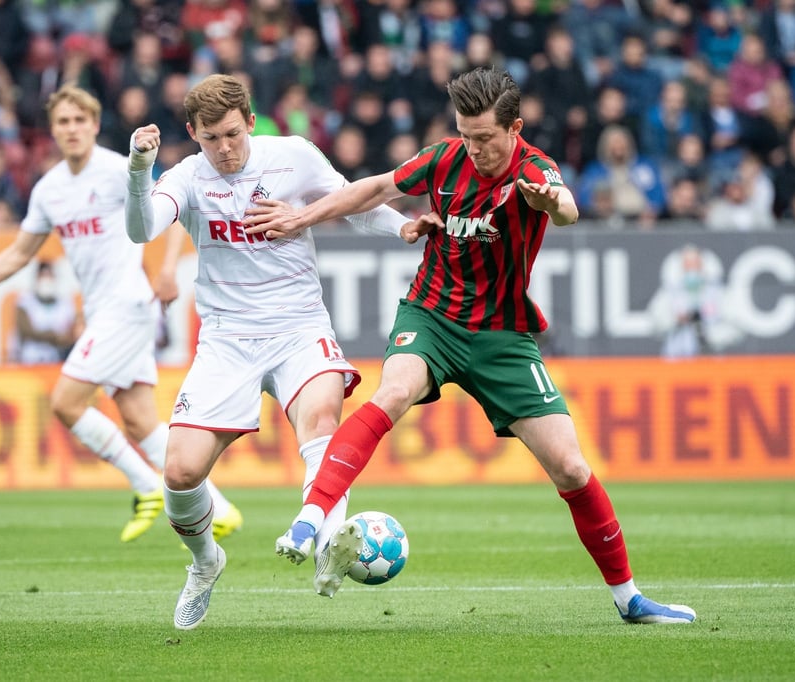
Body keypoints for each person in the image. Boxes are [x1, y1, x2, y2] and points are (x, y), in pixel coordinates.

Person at [245, 66, 696, 624]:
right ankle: (312, 518)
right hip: (431, 315)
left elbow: (568, 208)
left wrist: (551, 200)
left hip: (502, 335)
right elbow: (374, 189)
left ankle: (629, 599)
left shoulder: (534, 169)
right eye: (466, 135)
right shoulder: (444, 158)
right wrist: (301, 218)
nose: (475, 148)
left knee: (572, 469)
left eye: (484, 138)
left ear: (514, 128)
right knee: (392, 393)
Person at [123, 73, 421, 630]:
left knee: (323, 421)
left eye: (233, 134)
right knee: (181, 472)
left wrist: (402, 228)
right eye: (211, 139)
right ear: (193, 133)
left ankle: (331, 545)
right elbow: (143, 229)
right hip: (227, 338)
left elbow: (351, 203)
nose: (225, 149)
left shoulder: (294, 157)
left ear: (251, 122)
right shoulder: (186, 177)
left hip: (298, 326)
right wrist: (140, 168)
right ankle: (206, 562)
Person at [0, 84, 242, 545]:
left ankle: (147, 485)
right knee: (139, 421)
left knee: (66, 402)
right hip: (101, 311)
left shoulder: (117, 170)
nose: (70, 129)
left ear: (93, 125)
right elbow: (17, 255)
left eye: (78, 121)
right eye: (62, 122)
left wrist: (168, 270)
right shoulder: (49, 189)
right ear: (52, 131)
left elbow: (176, 204)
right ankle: (221, 509)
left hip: (128, 305)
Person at [9, 260, 80, 365]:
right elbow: (25, 331)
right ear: (37, 278)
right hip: (28, 361)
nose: (46, 280)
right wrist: (53, 337)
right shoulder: (25, 301)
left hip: (56, 359)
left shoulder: (65, 304)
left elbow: (71, 334)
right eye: (43, 276)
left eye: (49, 276)